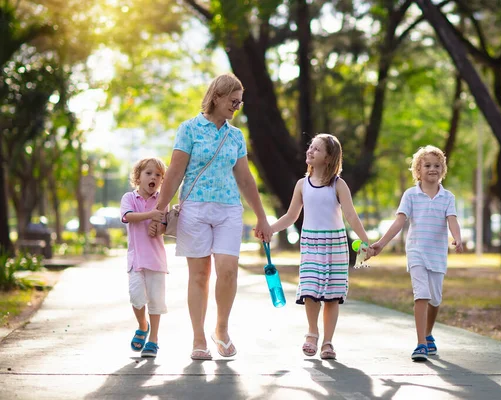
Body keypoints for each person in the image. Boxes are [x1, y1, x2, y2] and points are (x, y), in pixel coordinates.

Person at [154, 73, 272, 360]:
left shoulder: (236, 136)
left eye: (239, 102)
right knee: (200, 275)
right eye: (233, 101)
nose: (236, 106)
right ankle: (198, 338)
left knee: (228, 269)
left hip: (229, 209)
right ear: (216, 96)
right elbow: (175, 172)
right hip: (194, 207)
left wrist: (261, 216)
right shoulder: (189, 129)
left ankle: (221, 329)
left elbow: (245, 179)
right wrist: (159, 211)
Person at [269, 133, 371, 360]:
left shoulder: (338, 185)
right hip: (311, 245)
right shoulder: (301, 185)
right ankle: (312, 333)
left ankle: (327, 342)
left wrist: (365, 241)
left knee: (332, 297)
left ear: (328, 158)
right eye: (310, 147)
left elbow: (351, 216)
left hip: (335, 246)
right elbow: (290, 216)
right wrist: (270, 228)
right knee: (310, 292)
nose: (310, 151)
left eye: (317, 149)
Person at [370, 145, 463, 361]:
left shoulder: (448, 197)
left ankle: (428, 334)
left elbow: (453, 220)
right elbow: (399, 222)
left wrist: (457, 238)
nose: (433, 169)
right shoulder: (410, 195)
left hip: (438, 255)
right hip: (416, 252)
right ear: (417, 170)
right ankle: (421, 343)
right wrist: (381, 244)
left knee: (435, 299)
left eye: (437, 165)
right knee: (421, 295)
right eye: (427, 165)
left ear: (443, 170)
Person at [120, 157, 168, 358]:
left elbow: (164, 226)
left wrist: (159, 227)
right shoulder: (129, 198)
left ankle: (154, 339)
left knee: (156, 301)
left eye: (158, 175)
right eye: (148, 173)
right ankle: (142, 324)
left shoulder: (161, 201)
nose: (153, 178)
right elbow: (128, 216)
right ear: (138, 177)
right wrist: (150, 215)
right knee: (137, 297)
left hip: (156, 261)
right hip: (136, 260)